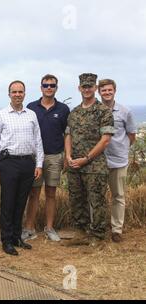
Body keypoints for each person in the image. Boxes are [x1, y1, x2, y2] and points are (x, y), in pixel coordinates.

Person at [0, 81, 44, 256]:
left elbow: (38, 141)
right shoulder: (1, 115)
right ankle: (6, 240)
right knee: (8, 203)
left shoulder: (32, 115)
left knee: (21, 202)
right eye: (14, 92)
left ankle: (16, 237)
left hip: (28, 163)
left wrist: (39, 164)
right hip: (9, 163)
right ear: (9, 94)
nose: (17, 94)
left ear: (25, 93)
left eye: (20, 92)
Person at [65, 73, 115, 246]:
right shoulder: (74, 113)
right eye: (84, 86)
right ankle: (81, 232)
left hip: (94, 165)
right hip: (75, 165)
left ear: (95, 88)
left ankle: (98, 236)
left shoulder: (103, 112)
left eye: (90, 86)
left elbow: (105, 139)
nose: (87, 89)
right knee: (76, 199)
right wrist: (69, 156)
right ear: (79, 88)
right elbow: (68, 135)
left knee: (96, 201)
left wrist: (86, 159)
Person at [23, 75, 70, 242]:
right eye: (46, 85)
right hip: (35, 157)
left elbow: (67, 134)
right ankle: (29, 228)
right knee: (33, 193)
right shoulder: (31, 107)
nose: (49, 88)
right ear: (41, 87)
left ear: (56, 87)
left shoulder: (63, 109)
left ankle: (49, 228)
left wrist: (66, 156)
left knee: (51, 193)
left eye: (52, 85)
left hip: (54, 156)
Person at [98, 79, 136, 243]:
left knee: (118, 195)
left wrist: (121, 148)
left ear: (115, 91)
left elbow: (131, 135)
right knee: (96, 196)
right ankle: (97, 228)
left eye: (109, 90)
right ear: (99, 92)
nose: (106, 93)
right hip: (98, 160)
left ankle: (116, 229)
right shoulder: (95, 110)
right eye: (103, 90)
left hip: (118, 160)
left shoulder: (124, 111)